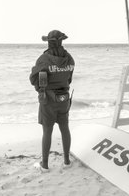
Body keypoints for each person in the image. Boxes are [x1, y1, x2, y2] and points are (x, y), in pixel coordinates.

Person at [29, 30, 75, 172]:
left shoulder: (44, 59)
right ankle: (67, 161)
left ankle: (45, 165)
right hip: (64, 99)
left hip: (48, 100)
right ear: (61, 41)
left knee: (47, 131)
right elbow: (69, 79)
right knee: (65, 128)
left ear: (49, 42)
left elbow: (33, 79)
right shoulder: (69, 59)